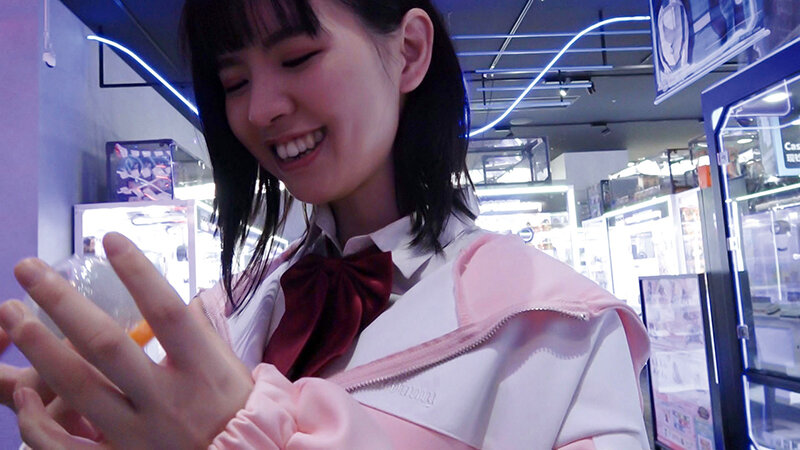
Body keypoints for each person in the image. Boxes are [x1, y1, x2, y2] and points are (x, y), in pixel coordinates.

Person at [0, 0, 651, 448]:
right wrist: (95, 418)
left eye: (297, 57)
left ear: (409, 51)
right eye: (233, 81)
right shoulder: (221, 316)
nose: (260, 109)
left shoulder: (559, 329)